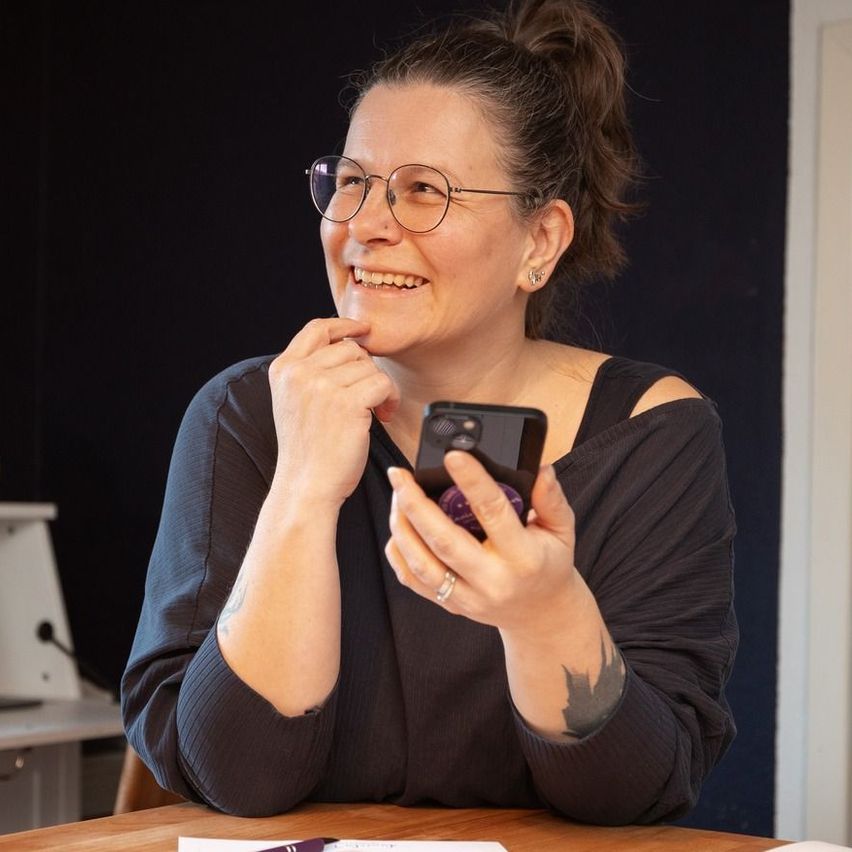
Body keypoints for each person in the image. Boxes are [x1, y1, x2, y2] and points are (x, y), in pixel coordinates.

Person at [121, 0, 737, 826]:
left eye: (423, 191)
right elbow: (238, 776)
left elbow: (631, 794)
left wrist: (543, 615)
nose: (366, 226)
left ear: (540, 242)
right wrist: (302, 491)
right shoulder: (248, 412)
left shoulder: (650, 431)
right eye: (350, 183)